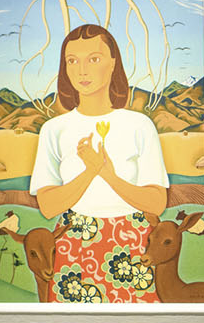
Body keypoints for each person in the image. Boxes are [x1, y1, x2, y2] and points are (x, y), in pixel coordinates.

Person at [29, 24, 169, 303]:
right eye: (72, 61)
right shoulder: (54, 130)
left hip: (134, 244)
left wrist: (108, 174)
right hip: (73, 245)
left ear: (113, 63)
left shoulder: (139, 125)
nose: (82, 70)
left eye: (94, 59)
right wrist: (89, 172)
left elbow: (156, 203)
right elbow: (48, 206)